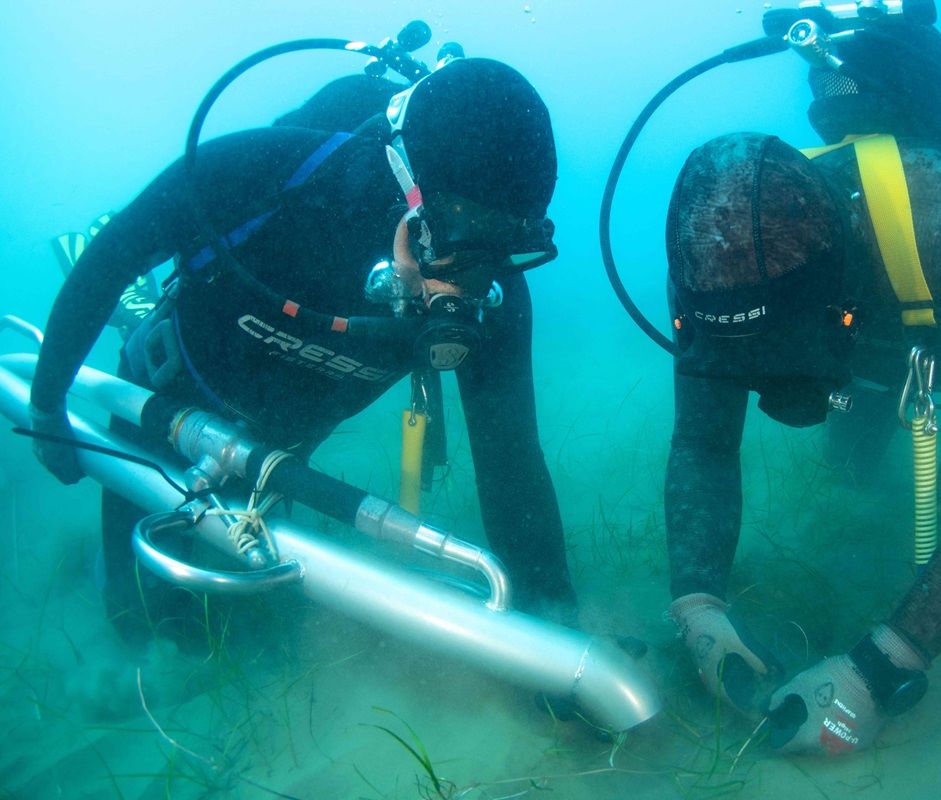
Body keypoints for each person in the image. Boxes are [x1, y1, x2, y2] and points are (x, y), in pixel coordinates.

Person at [28, 57, 578, 644]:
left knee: (245, 628)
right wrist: (45, 406)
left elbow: (510, 462)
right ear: (404, 179)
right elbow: (110, 258)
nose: (471, 281)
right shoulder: (263, 171)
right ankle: (137, 314)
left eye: (506, 244)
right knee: (139, 621)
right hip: (164, 396)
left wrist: (556, 622)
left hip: (276, 452)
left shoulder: (491, 296)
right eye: (463, 233)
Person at [662, 23, 941, 756]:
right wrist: (698, 604)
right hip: (868, 349)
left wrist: (883, 667)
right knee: (848, 470)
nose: (770, 391)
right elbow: (702, 438)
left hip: (935, 334)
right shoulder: (714, 251)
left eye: (779, 354)